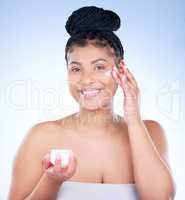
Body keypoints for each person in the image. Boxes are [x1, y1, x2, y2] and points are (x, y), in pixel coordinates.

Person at [8, 6, 176, 200]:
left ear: (120, 69)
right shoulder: (42, 136)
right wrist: (52, 180)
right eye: (76, 69)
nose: (86, 80)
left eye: (99, 66)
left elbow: (160, 198)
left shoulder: (150, 132)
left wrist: (134, 119)